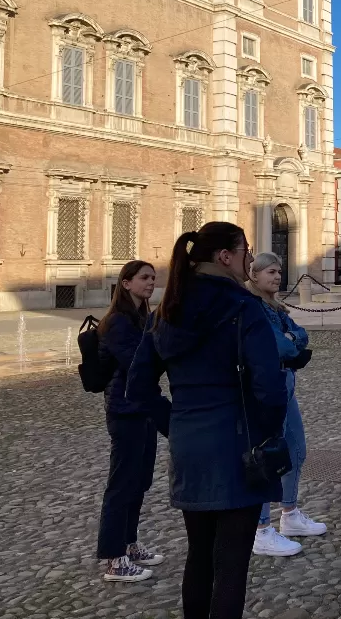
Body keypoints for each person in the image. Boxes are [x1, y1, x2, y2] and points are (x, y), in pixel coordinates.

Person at [127, 222, 288, 619]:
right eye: (245, 250)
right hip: (237, 443)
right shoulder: (243, 306)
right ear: (225, 257)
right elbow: (269, 385)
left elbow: (139, 386)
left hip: (190, 444)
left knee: (199, 555)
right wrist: (265, 431)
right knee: (231, 565)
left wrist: (174, 422)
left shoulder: (168, 308)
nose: (250, 259)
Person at [246, 253, 327, 556]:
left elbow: (300, 335)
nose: (277, 276)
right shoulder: (253, 307)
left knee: (296, 449)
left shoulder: (276, 308)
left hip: (286, 385)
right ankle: (261, 528)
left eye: (279, 271)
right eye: (270, 271)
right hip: (266, 388)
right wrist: (290, 339)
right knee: (267, 455)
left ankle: (290, 514)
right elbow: (279, 345)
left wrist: (290, 337)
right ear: (253, 275)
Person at [96, 260, 170, 583]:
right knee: (121, 484)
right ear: (125, 283)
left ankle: (129, 543)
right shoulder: (116, 322)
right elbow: (136, 363)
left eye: (153, 278)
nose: (150, 283)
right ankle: (114, 559)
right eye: (144, 278)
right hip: (124, 410)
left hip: (144, 409)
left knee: (140, 481)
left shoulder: (143, 318)